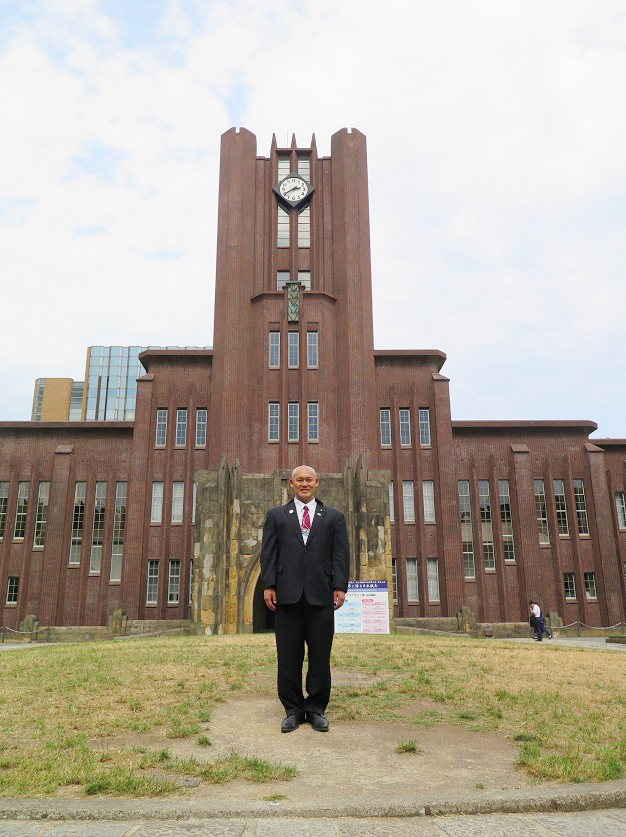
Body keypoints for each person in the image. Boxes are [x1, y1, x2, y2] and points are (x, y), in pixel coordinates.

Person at [261, 465, 350, 733]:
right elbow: (269, 553)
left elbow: (340, 555)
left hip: (321, 595)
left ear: (316, 483)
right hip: (287, 596)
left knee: (320, 655)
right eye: (299, 480)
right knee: (288, 655)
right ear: (291, 484)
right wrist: (269, 585)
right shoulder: (276, 516)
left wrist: (339, 586)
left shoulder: (334, 517)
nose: (304, 484)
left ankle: (315, 709)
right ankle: (293, 710)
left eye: (308, 480)